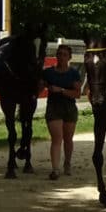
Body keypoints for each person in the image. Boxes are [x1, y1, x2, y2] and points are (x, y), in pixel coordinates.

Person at [41, 44, 83, 180]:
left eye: (64, 54)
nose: (61, 57)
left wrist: (62, 90)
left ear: (69, 57)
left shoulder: (73, 73)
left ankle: (67, 163)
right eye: (59, 54)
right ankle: (55, 169)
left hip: (69, 108)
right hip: (54, 108)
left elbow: (77, 94)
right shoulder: (48, 72)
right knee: (56, 138)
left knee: (68, 139)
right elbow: (39, 87)